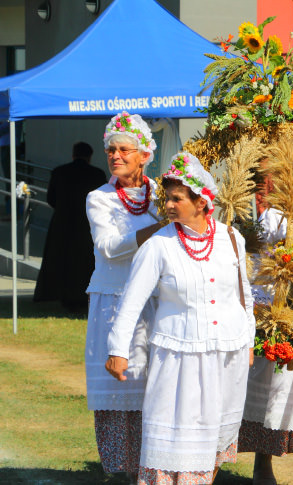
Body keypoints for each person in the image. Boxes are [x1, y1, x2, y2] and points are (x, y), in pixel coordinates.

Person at [106, 152, 256, 484]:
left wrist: (249, 342)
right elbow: (131, 301)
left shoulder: (232, 239)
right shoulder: (159, 245)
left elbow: (244, 295)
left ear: (202, 202)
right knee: (178, 438)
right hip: (179, 358)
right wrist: (117, 350)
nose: (169, 205)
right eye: (167, 198)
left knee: (217, 435)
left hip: (228, 354)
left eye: (177, 198)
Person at [85, 112, 162, 479]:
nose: (115, 156)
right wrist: (161, 230)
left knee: (152, 383)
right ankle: (120, 466)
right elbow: (110, 248)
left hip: (155, 301)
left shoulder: (162, 194)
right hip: (114, 300)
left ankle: (151, 464)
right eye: (111, 150)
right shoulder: (98, 198)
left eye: (124, 150)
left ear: (144, 154)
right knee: (120, 384)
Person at [238, 173, 293, 484]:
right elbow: (261, 264)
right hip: (278, 311)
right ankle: (263, 465)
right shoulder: (274, 217)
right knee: (272, 392)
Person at [34, 141, 106, 312]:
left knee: (62, 259)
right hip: (87, 224)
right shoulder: (97, 174)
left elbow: (51, 199)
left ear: (73, 154)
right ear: (90, 157)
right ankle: (84, 296)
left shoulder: (59, 172)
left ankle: (62, 295)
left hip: (62, 222)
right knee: (85, 261)